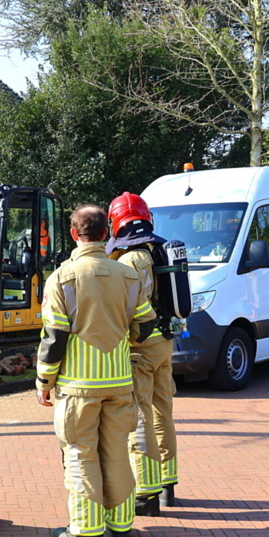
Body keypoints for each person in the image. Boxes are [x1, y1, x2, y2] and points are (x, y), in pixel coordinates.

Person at [36, 205, 157, 537]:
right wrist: (124, 340)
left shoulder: (62, 277)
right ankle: (121, 527)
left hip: (78, 387)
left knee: (80, 453)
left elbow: (55, 337)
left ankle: (86, 530)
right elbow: (146, 324)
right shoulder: (128, 275)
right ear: (107, 234)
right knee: (116, 451)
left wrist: (44, 381)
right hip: (119, 383)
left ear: (75, 234)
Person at [106, 192, 179, 514]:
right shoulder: (158, 249)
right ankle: (168, 484)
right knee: (163, 413)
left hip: (141, 348)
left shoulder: (130, 259)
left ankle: (147, 493)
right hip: (165, 342)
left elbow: (131, 307)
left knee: (139, 415)